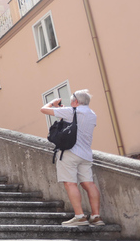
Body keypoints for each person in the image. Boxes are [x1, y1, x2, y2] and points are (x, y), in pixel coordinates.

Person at [41, 89, 104, 226]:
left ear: (75, 101)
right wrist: (63, 111)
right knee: (89, 183)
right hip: (86, 154)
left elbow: (43, 110)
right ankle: (96, 216)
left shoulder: (72, 111)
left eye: (71, 101)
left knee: (70, 183)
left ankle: (80, 216)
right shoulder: (92, 114)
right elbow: (76, 123)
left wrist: (52, 102)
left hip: (70, 153)